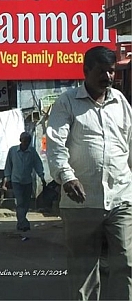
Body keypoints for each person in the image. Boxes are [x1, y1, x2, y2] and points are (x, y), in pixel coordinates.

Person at [46, 45, 132, 301]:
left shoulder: (121, 103)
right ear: (86, 71)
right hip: (81, 202)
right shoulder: (67, 102)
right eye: (102, 71)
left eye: (111, 71)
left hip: (121, 197)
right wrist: (67, 176)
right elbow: (55, 144)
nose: (108, 76)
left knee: (126, 261)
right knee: (84, 271)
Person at [3, 131, 45, 232]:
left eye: (28, 141)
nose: (26, 143)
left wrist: (42, 177)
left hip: (27, 181)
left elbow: (38, 164)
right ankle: (24, 223)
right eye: (24, 141)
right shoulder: (13, 151)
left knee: (26, 203)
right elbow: (8, 165)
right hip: (16, 181)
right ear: (20, 140)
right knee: (20, 202)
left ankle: (20, 223)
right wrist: (7, 178)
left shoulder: (32, 152)